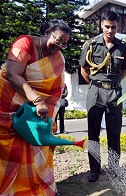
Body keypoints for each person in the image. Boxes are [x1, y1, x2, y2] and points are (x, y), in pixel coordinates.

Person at [0, 19, 71, 195]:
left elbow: (55, 89)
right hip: (9, 107)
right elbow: (11, 74)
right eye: (58, 39)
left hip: (37, 116)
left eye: (64, 43)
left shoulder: (57, 58)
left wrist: (44, 110)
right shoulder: (24, 43)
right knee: (8, 152)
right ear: (47, 32)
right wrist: (38, 101)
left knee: (39, 147)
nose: (60, 45)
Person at [79, 10, 126, 182]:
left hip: (115, 93)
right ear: (102, 25)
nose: (110, 30)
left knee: (114, 133)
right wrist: (96, 85)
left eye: (113, 27)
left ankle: (114, 167)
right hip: (96, 92)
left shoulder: (123, 47)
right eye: (107, 27)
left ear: (118, 27)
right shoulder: (91, 44)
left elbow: (125, 71)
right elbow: (84, 70)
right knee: (93, 132)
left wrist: (112, 84)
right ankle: (94, 170)